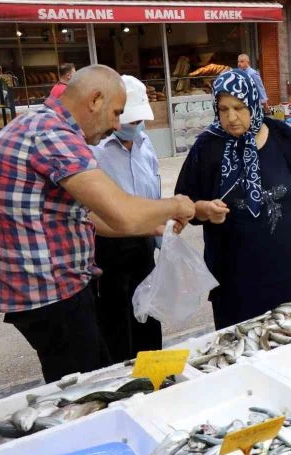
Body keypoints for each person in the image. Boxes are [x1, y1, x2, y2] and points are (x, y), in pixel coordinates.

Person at [0, 65, 195, 382]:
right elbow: (120, 211)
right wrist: (177, 205)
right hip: (53, 294)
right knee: (82, 391)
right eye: (115, 113)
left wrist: (149, 226)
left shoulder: (34, 125)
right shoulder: (54, 135)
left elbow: (88, 215)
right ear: (95, 99)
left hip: (47, 292)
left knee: (98, 372)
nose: (115, 125)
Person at [175, 69, 291, 330]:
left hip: (288, 267)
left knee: (287, 338)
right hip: (235, 277)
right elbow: (184, 203)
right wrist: (204, 210)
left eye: (239, 107)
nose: (231, 117)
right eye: (223, 109)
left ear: (253, 103)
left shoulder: (282, 136)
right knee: (240, 343)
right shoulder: (207, 148)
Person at [90, 75, 163, 363]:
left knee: (147, 320)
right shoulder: (95, 149)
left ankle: (153, 378)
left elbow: (154, 189)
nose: (134, 127)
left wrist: (161, 234)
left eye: (138, 121)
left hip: (144, 243)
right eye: (129, 121)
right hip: (108, 249)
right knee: (117, 328)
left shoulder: (145, 143)